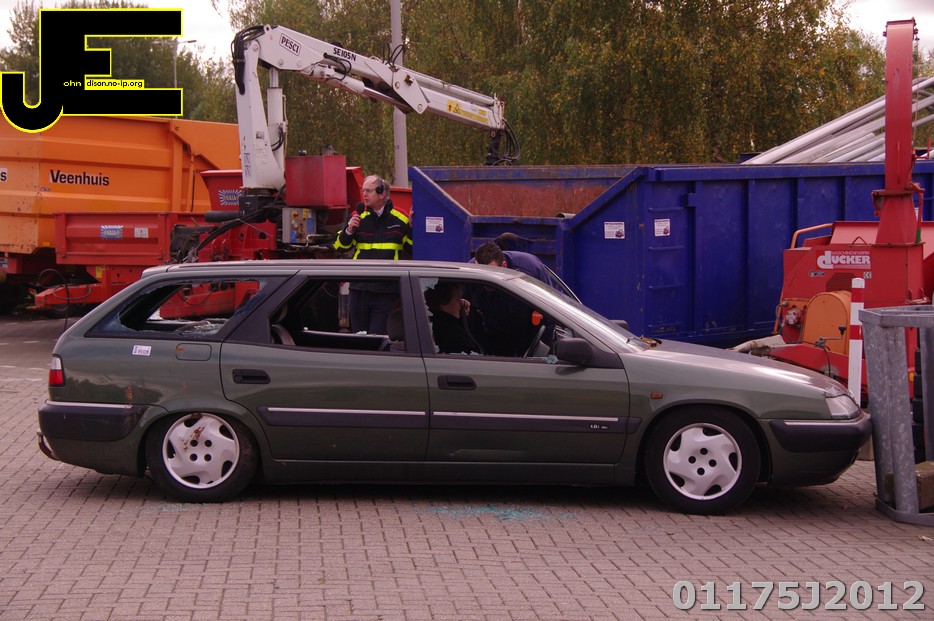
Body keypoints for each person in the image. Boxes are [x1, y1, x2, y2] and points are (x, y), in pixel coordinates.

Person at [333, 175, 412, 334]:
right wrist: (349, 230)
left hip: (386, 291)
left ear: (382, 193)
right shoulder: (356, 217)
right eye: (363, 191)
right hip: (359, 290)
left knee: (378, 338)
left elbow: (411, 249)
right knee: (359, 338)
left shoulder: (401, 218)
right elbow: (339, 247)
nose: (364, 195)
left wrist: (411, 228)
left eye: (369, 191)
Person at [469, 240, 560, 356]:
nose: (485, 281)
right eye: (481, 274)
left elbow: (549, 313)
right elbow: (468, 315)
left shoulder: (530, 271)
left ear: (504, 266)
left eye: (491, 274)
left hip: (528, 332)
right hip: (494, 334)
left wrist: (544, 356)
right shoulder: (471, 273)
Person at [424, 281, 482, 355]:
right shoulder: (451, 335)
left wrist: (465, 316)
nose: (461, 303)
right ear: (443, 302)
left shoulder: (433, 321)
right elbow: (475, 347)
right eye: (457, 299)